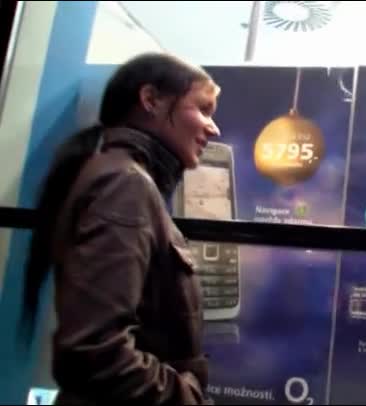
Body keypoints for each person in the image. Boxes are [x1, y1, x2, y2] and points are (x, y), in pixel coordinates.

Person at [20, 53, 221, 405]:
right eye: (203, 110)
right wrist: (185, 396)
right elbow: (94, 351)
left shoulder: (119, 176)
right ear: (151, 100)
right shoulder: (124, 184)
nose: (213, 128)